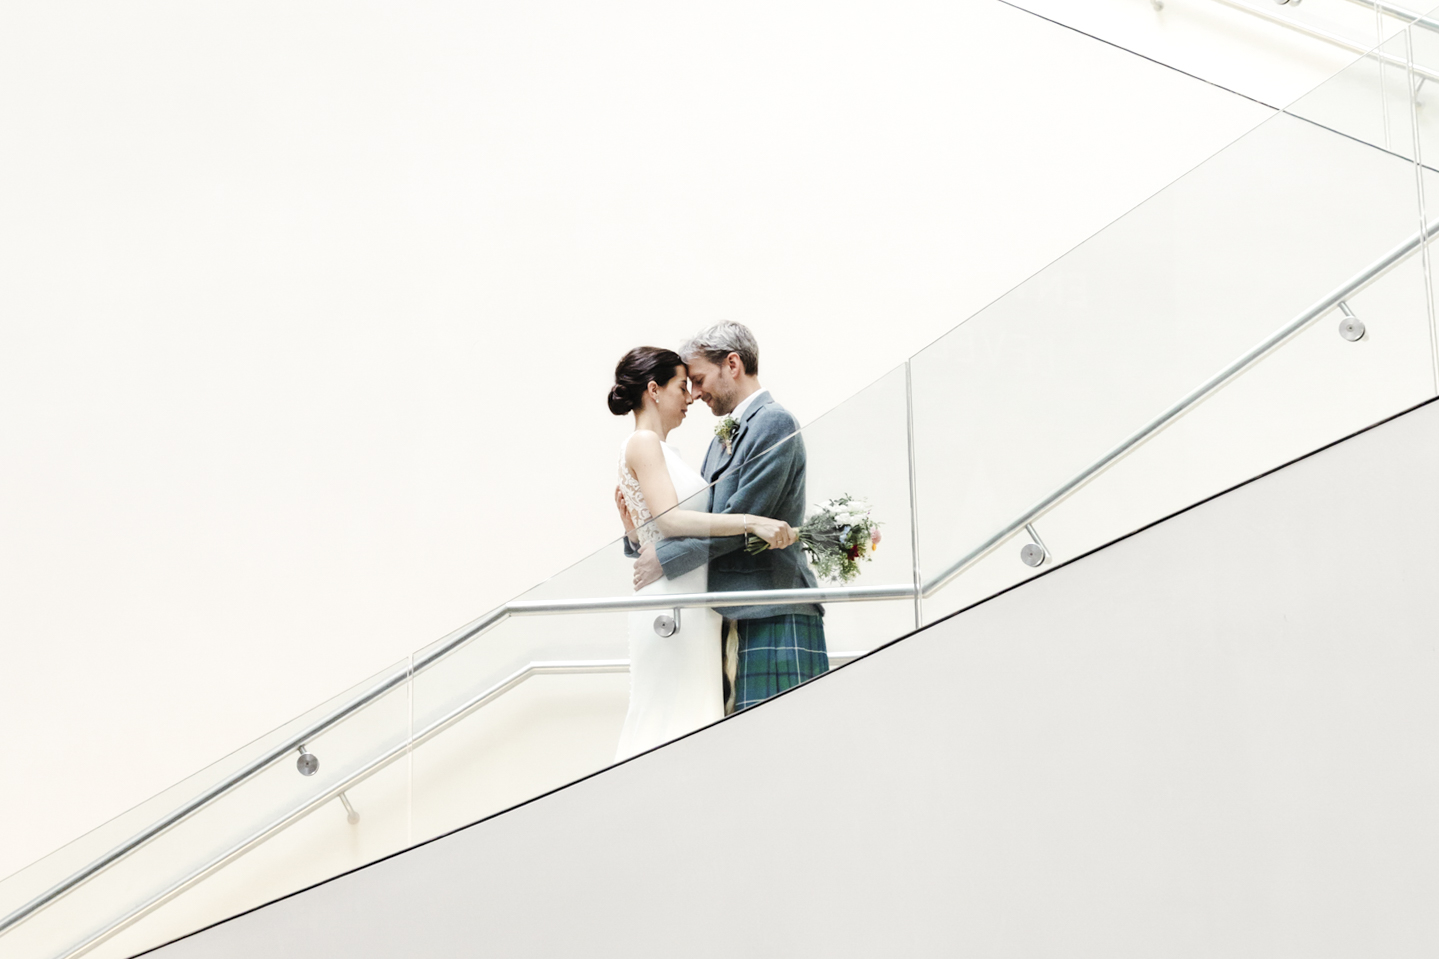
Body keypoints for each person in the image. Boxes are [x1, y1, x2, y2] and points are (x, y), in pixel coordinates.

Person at [609, 346, 796, 760]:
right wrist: (751, 521)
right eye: (682, 387)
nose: (690, 397)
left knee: (694, 716)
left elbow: (657, 530)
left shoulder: (665, 451)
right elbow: (672, 521)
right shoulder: (643, 442)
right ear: (653, 390)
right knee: (668, 719)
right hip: (672, 604)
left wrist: (635, 535)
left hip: (693, 602)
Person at [633, 322, 828, 714]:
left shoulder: (774, 422)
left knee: (784, 739)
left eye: (699, 379)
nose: (695, 393)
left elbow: (743, 521)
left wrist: (664, 558)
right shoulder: (721, 438)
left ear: (733, 365)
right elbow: (704, 518)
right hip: (735, 613)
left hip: (773, 610)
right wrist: (640, 539)